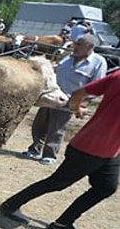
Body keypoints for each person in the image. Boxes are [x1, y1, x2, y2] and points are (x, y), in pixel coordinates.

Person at [0, 70, 119, 229]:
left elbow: (79, 93)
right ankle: (10, 205)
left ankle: (63, 223)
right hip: (92, 148)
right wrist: (76, 107)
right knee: (57, 182)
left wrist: (75, 107)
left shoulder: (117, 75)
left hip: (109, 150)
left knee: (106, 187)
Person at [25, 34, 107, 165]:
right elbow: (57, 69)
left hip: (69, 100)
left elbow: (96, 85)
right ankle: (35, 149)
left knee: (56, 128)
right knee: (40, 124)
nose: (75, 46)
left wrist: (84, 103)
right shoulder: (69, 57)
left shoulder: (98, 62)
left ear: (90, 47)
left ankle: (49, 154)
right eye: (76, 43)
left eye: (79, 44)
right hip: (52, 95)